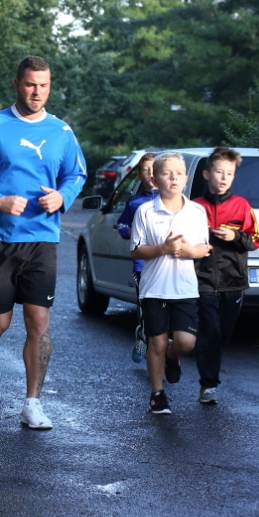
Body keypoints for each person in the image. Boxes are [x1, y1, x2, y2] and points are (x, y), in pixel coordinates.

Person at [0, 55, 87, 430]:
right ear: (17, 84)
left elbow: (77, 173)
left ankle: (32, 403)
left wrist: (63, 196)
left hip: (42, 238)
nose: (37, 92)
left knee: (38, 323)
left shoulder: (62, 131)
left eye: (43, 85)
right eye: (30, 84)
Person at [129, 152, 212, 414]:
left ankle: (173, 356)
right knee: (157, 343)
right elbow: (136, 250)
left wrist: (189, 251)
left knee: (186, 342)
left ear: (187, 179)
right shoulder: (145, 211)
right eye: (167, 173)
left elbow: (203, 248)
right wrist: (163, 248)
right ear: (154, 179)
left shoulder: (196, 211)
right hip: (154, 288)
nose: (174, 177)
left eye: (179, 173)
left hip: (185, 288)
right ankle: (157, 394)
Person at [192, 147, 259, 405]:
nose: (223, 178)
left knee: (222, 333)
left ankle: (200, 352)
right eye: (219, 172)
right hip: (203, 278)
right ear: (207, 174)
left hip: (234, 281)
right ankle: (208, 385)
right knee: (209, 330)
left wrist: (236, 236)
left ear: (233, 177)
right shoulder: (195, 207)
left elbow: (256, 239)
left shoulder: (241, 206)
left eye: (229, 174)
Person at [115, 152, 157, 364]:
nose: (151, 174)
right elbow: (121, 224)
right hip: (142, 265)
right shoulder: (135, 202)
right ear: (139, 175)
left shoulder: (173, 199)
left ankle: (162, 346)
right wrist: (129, 230)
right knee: (146, 306)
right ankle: (143, 336)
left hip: (167, 265)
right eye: (146, 170)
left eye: (154, 170)